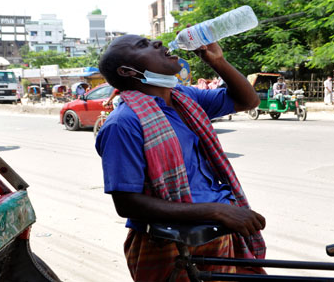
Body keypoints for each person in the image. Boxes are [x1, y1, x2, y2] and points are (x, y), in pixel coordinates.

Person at [95, 35, 265, 281]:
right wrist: (216, 211)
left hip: (218, 232)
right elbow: (127, 204)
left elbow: (248, 101)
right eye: (142, 45)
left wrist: (218, 61)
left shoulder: (185, 98)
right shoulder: (123, 124)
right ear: (127, 71)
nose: (157, 43)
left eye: (153, 41)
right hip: (170, 244)